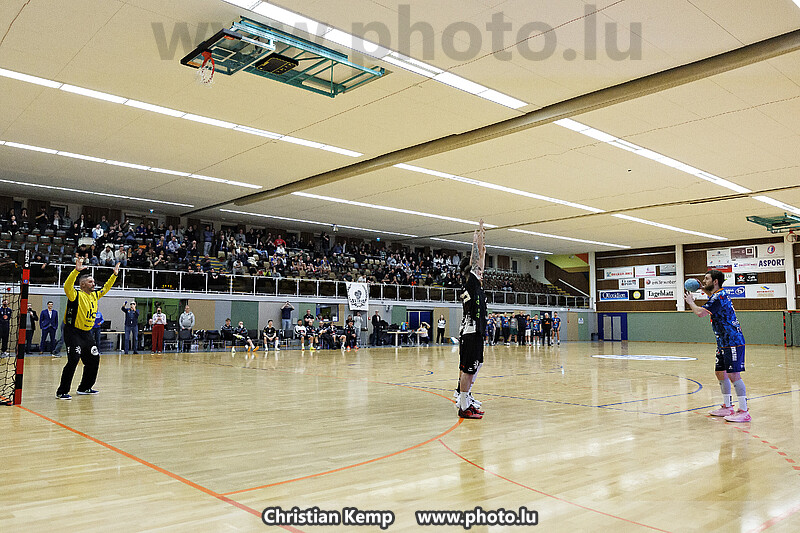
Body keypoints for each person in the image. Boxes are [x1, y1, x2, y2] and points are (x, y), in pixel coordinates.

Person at [685, 270, 751, 423]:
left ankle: (744, 411)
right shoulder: (717, 294)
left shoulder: (718, 297)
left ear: (715, 281)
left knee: (734, 375)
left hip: (732, 341)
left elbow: (700, 313)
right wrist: (702, 288)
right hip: (723, 342)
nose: (704, 281)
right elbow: (710, 295)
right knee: (720, 373)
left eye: (706, 279)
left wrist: (690, 302)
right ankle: (727, 407)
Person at [56, 257, 119, 400]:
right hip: (73, 332)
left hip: (87, 334)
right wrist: (76, 271)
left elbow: (106, 288)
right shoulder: (75, 295)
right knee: (73, 360)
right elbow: (67, 286)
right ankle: (62, 391)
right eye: (90, 282)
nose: (94, 284)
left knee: (94, 359)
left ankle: (84, 387)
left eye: (93, 281)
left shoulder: (95, 296)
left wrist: (114, 275)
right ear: (83, 284)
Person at [454, 220, 486, 419]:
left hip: (476, 332)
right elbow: (476, 260)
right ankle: (463, 404)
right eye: (478, 270)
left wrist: (482, 240)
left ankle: (465, 398)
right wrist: (475, 241)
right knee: (468, 369)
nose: (482, 272)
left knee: (476, 365)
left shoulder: (472, 283)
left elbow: (480, 258)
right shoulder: (471, 283)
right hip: (470, 333)